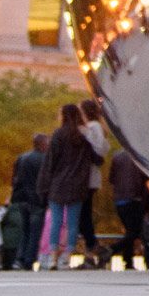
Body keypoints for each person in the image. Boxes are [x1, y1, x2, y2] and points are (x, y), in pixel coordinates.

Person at [37, 105, 95, 268]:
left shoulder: (58, 135)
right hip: (77, 186)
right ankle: (67, 256)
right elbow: (95, 158)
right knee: (72, 223)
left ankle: (53, 255)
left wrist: (43, 185)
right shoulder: (82, 138)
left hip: (58, 185)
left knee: (56, 220)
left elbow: (50, 162)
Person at [109, 145, 149, 271]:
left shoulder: (116, 156)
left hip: (119, 200)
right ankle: (112, 249)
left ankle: (128, 261)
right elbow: (146, 177)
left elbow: (111, 179)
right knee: (135, 231)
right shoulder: (138, 157)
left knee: (129, 231)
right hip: (134, 198)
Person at [9, 133, 46, 271]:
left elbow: (15, 179)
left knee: (25, 230)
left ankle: (19, 258)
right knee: (35, 232)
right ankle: (28, 259)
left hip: (22, 198)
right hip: (36, 200)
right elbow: (45, 180)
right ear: (42, 144)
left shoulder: (22, 158)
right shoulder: (43, 159)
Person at [78, 99, 109, 262]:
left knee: (84, 214)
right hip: (90, 177)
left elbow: (96, 147)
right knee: (84, 214)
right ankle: (91, 246)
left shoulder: (93, 127)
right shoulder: (96, 127)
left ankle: (93, 245)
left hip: (88, 177)